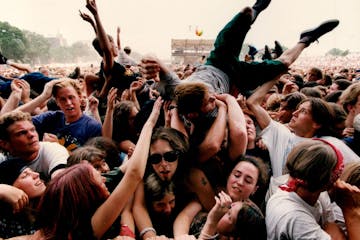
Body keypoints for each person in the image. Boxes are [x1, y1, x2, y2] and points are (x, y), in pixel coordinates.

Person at [31, 97, 163, 240]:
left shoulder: (77, 205)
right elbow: (134, 173)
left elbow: (126, 170)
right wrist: (149, 123)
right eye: (100, 180)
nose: (105, 178)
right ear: (86, 193)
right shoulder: (85, 228)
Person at [246, 77, 360, 177]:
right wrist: (275, 76)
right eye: (297, 109)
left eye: (303, 111)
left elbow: (355, 172)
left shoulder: (331, 146)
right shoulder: (281, 135)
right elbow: (252, 103)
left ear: (317, 123)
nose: (294, 113)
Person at [265, 139, 350, 239]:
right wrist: (351, 209)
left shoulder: (317, 194)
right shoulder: (296, 218)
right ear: (328, 181)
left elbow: (331, 226)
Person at [16, 78, 102, 151]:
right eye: (62, 99)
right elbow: (11, 120)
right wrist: (43, 96)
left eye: (71, 97)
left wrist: (58, 147)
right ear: (57, 102)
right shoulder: (50, 118)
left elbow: (91, 161)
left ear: (79, 97)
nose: (68, 103)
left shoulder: (92, 126)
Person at [0, 158, 46, 238]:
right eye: (25, 175)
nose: (36, 174)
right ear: (11, 188)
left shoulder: (54, 203)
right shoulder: (3, 222)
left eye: (32, 171)